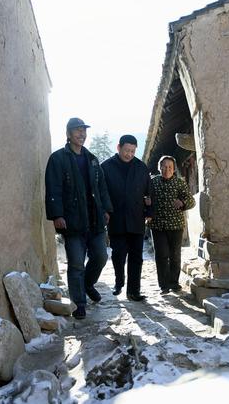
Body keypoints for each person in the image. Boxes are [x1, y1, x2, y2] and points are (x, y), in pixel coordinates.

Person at [45, 117, 113, 319]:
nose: (81, 134)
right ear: (68, 134)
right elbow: (53, 188)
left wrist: (106, 209)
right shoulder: (58, 159)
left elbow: (102, 187)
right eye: (77, 130)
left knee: (101, 256)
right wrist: (57, 214)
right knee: (76, 264)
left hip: (95, 220)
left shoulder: (92, 159)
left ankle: (88, 284)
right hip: (73, 221)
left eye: (84, 131)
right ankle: (79, 303)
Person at [101, 135, 152, 301]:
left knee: (136, 257)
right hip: (116, 219)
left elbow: (149, 192)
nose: (129, 154)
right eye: (126, 150)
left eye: (132, 151)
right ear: (119, 147)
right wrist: (105, 211)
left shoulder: (141, 167)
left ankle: (133, 291)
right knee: (118, 254)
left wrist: (149, 212)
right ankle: (119, 281)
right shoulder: (106, 167)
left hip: (136, 218)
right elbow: (102, 193)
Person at [150, 155, 195, 294]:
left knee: (175, 255)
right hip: (158, 225)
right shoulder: (152, 182)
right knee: (161, 255)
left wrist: (182, 203)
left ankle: (174, 283)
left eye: (170, 167)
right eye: (164, 166)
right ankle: (163, 285)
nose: (167, 169)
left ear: (174, 169)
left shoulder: (180, 183)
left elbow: (191, 201)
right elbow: (144, 197)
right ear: (159, 167)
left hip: (176, 225)